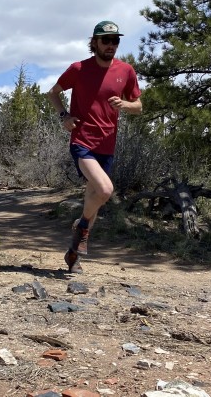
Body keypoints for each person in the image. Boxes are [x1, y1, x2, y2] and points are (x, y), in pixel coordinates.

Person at [47, 20, 142, 274]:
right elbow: (53, 93)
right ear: (95, 42)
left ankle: (74, 254)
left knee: (94, 197)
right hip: (82, 140)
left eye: (115, 41)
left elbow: (138, 106)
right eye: (106, 40)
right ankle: (83, 225)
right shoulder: (78, 69)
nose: (111, 45)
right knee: (105, 189)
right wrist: (63, 116)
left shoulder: (126, 71)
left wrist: (124, 104)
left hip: (107, 143)